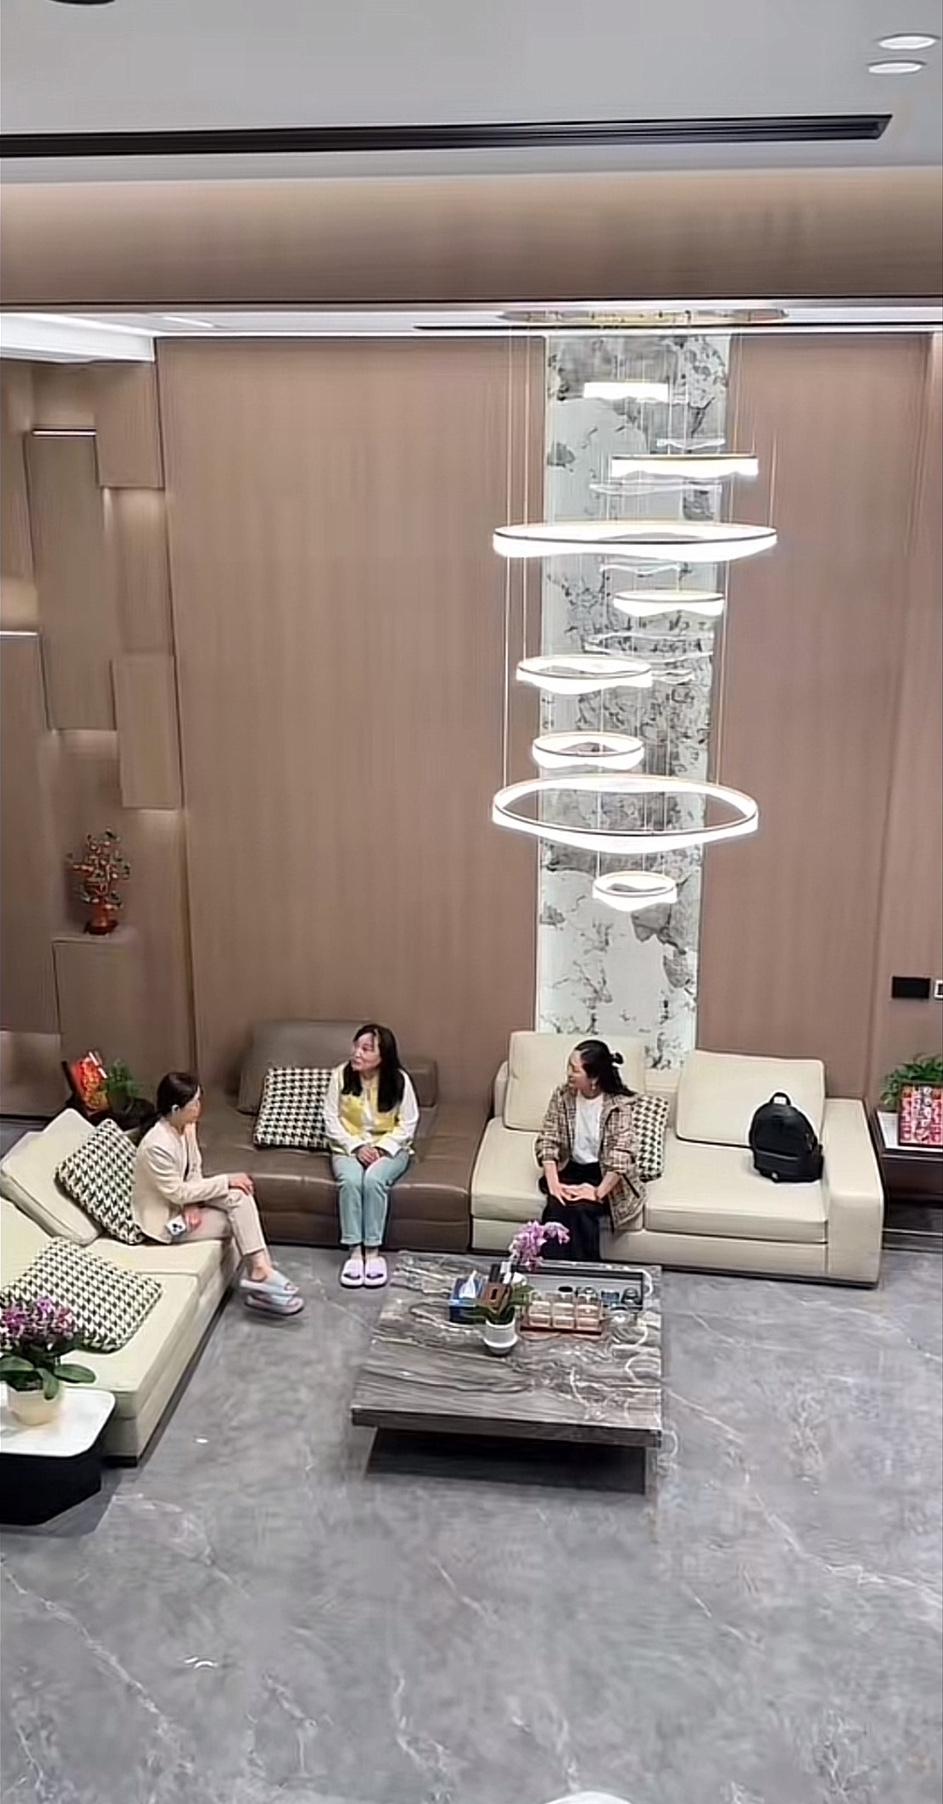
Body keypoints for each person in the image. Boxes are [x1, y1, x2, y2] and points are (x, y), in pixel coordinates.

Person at [133, 1072, 304, 1318]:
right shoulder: (156, 1146)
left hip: (184, 1200)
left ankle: (260, 1271)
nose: (199, 1107)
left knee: (240, 1196)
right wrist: (223, 1181)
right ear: (176, 1109)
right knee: (236, 1218)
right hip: (166, 1220)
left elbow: (194, 1167)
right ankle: (261, 1281)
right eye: (194, 1103)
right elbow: (177, 1192)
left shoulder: (185, 1125)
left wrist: (192, 1203)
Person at [323, 1024, 418, 1290]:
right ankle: (355, 1252)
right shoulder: (340, 1075)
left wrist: (383, 1148)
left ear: (382, 1055)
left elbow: (408, 1123)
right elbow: (331, 1119)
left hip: (390, 1147)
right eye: (356, 1047)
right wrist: (355, 1146)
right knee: (351, 1181)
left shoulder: (399, 1080)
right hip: (348, 1146)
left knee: (374, 1180)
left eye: (366, 1049)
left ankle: (373, 1252)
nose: (357, 1053)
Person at [536, 1039, 643, 1262]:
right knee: (557, 1206)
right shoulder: (562, 1095)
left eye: (575, 1070)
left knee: (582, 1209)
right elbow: (548, 1139)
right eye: (569, 1066)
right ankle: (549, 1272)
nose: (568, 1074)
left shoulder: (618, 1104)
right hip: (572, 1168)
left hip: (604, 1174)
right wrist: (554, 1185)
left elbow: (621, 1154)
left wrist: (597, 1193)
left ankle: (584, 1276)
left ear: (593, 1078)